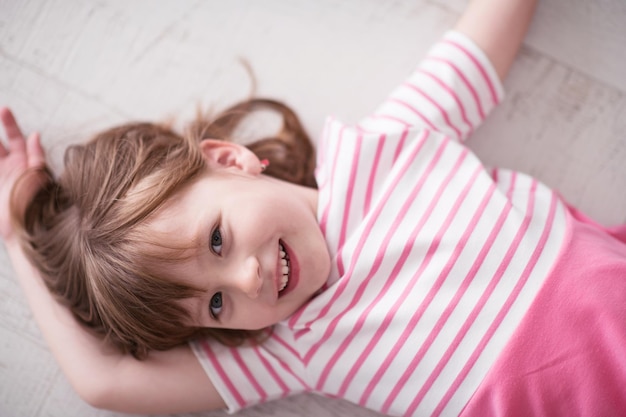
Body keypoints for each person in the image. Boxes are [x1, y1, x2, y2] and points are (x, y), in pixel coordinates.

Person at [1, 0, 625, 416]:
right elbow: (103, 382)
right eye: (216, 304)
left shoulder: (388, 147)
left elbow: (485, 38)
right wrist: (15, 236)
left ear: (230, 158)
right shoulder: (293, 345)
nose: (246, 280)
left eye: (216, 241)